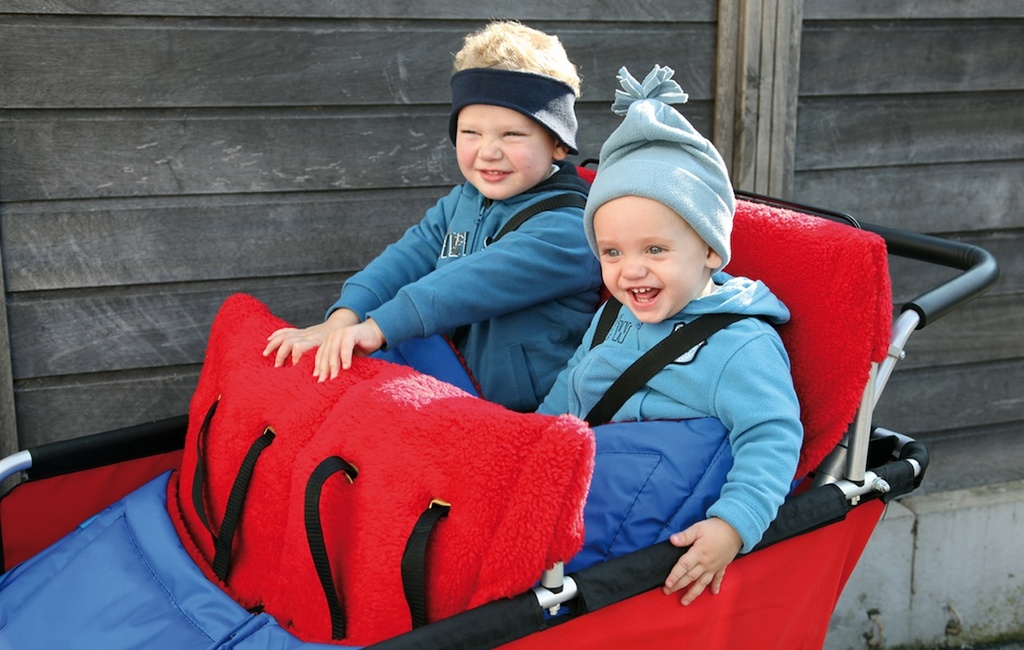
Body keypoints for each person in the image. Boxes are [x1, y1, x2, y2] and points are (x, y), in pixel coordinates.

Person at [537, 65, 803, 605]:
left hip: (646, 522)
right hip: (585, 492)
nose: (630, 270)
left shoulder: (739, 345)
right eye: (612, 253)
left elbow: (772, 435)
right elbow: (573, 386)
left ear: (709, 249)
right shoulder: (615, 312)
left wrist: (733, 525)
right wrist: (532, 450)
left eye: (654, 250)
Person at [263, 21, 602, 412]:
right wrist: (344, 316)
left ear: (558, 143)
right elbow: (407, 257)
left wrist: (376, 329)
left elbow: (468, 285)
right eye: (471, 132)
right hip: (452, 383)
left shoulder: (570, 229)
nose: (488, 151)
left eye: (511, 135)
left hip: (519, 409)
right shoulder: (465, 200)